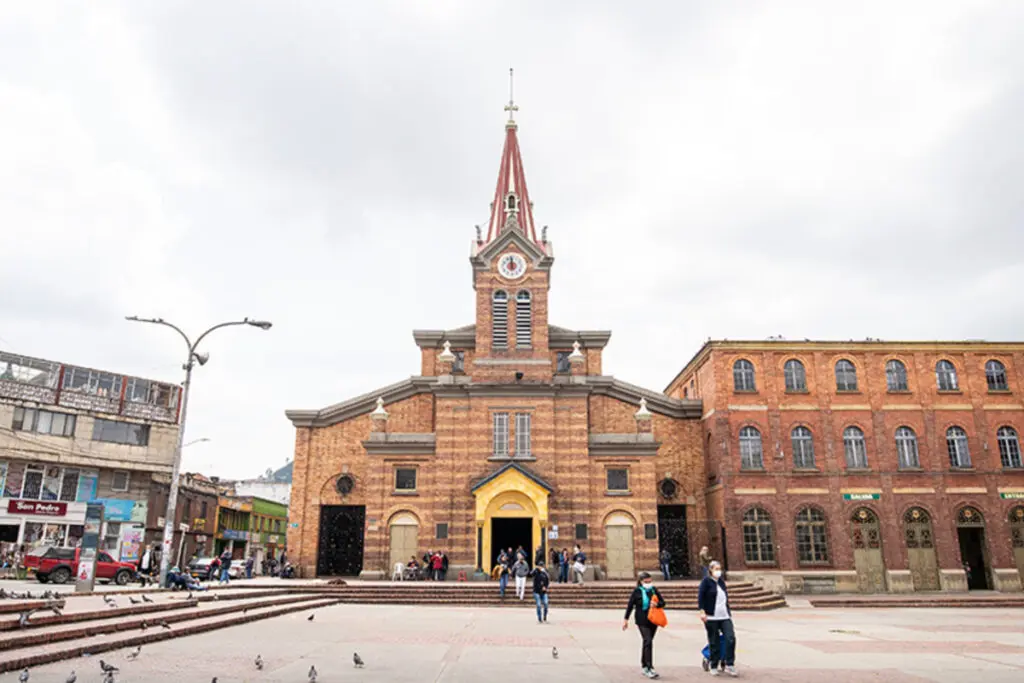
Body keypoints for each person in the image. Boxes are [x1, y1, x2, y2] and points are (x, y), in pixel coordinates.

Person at [623, 571, 665, 679]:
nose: (649, 583)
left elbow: (663, 602)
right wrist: (626, 619)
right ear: (641, 582)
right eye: (646, 581)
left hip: (653, 619)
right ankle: (649, 667)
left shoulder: (653, 590)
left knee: (648, 642)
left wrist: (657, 604)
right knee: (648, 641)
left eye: (650, 581)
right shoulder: (637, 591)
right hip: (642, 620)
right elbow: (630, 605)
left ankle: (644, 665)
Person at [698, 560, 737, 677]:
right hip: (711, 616)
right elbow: (701, 597)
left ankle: (730, 664)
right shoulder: (706, 582)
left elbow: (724, 598)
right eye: (716, 569)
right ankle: (713, 665)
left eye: (719, 569)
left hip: (724, 616)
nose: (718, 571)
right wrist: (702, 612)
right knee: (714, 641)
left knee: (730, 638)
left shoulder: (721, 582)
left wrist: (728, 611)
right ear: (710, 570)